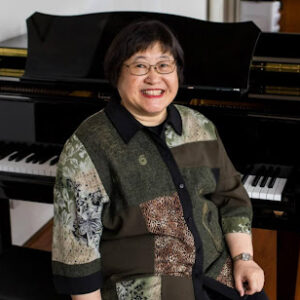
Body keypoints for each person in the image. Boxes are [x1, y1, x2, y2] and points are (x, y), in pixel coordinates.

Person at [52, 19, 268, 300]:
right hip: (145, 286)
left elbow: (231, 196)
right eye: (140, 66)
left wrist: (244, 258)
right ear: (117, 73)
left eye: (164, 65)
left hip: (217, 272)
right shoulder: (89, 145)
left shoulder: (198, 126)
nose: (154, 78)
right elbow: (77, 247)